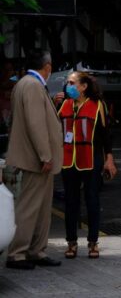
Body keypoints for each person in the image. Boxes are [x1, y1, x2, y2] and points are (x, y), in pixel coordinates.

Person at [5, 49, 63, 270]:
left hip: (36, 159)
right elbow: (35, 124)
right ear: (47, 67)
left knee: (40, 207)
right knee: (29, 207)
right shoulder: (31, 85)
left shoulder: (27, 84)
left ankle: (35, 250)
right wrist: (45, 155)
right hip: (36, 159)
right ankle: (18, 253)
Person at [58, 72, 117, 259]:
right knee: (70, 202)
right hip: (68, 160)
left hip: (91, 160)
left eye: (72, 83)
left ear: (83, 86)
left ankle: (93, 242)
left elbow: (106, 134)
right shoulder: (63, 105)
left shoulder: (97, 105)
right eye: (68, 83)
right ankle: (71, 243)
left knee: (92, 200)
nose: (68, 86)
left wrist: (109, 158)